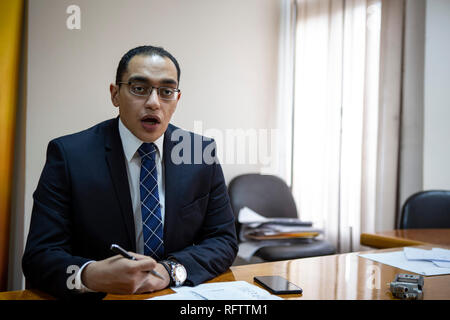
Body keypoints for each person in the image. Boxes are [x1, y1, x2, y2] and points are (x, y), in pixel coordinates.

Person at [22, 45, 238, 299]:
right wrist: (89, 274)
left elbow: (223, 239)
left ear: (177, 100)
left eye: (166, 91)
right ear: (115, 94)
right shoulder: (69, 155)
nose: (154, 102)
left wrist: (170, 271)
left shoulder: (199, 152)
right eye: (139, 89)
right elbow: (40, 256)